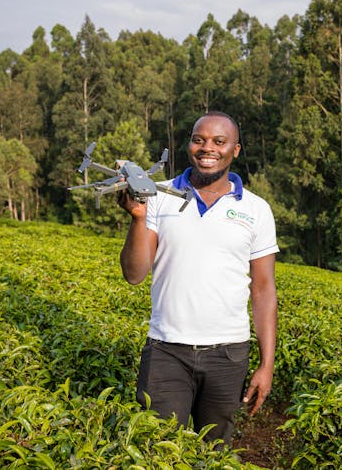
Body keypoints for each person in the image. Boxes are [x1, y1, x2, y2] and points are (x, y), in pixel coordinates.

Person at [117, 111, 278, 445]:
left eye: (219, 142)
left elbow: (263, 291)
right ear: (189, 144)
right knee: (157, 449)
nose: (208, 148)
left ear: (235, 150)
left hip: (228, 355)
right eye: (199, 139)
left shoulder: (256, 209)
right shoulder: (157, 195)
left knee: (215, 450)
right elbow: (134, 274)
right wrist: (137, 218)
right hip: (166, 351)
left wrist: (266, 364)